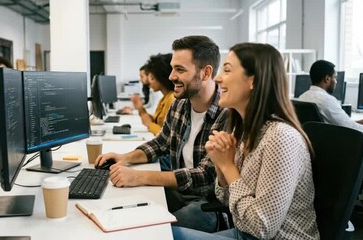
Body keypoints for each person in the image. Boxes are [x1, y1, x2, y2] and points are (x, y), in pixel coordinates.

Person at [172, 43, 319, 239]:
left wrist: (229, 166)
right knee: (161, 232)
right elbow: (225, 198)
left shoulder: (281, 137)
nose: (217, 78)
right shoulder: (244, 129)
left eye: (227, 70)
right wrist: (221, 166)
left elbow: (262, 227)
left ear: (254, 81)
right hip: (245, 232)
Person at [95, 35, 228, 232]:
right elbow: (161, 143)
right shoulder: (180, 104)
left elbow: (205, 175)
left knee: (149, 231)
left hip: (206, 204)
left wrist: (139, 177)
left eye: (180, 69)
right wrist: (125, 158)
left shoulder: (227, 113)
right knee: (121, 209)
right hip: (178, 194)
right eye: (173, 67)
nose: (171, 76)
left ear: (206, 73)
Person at [299, 60, 363, 135]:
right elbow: (350, 128)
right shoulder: (327, 100)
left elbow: (338, 123)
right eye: (335, 77)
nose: (336, 81)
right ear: (327, 79)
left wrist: (355, 122)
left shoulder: (302, 97)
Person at [131, 53, 175, 135]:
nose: (149, 80)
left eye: (152, 76)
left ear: (161, 77)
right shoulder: (165, 98)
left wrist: (149, 124)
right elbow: (157, 123)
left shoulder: (172, 99)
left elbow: (166, 136)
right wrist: (141, 109)